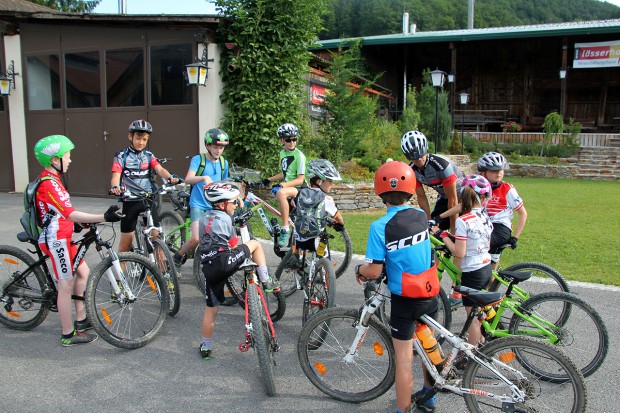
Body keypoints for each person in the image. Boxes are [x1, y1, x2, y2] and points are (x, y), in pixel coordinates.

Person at [354, 161, 440, 413]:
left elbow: (374, 271)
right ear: (411, 189)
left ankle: (403, 409)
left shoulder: (379, 227)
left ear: (380, 192)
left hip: (405, 298)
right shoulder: (421, 216)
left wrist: (359, 270)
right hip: (430, 290)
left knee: (403, 360)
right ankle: (429, 395)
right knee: (428, 347)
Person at [33, 135, 123, 346]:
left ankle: (81, 319)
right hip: (56, 240)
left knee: (83, 272)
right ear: (55, 160)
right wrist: (103, 217)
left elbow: (61, 212)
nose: (70, 160)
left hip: (64, 233)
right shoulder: (49, 184)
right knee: (65, 284)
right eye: (67, 156)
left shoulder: (54, 179)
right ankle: (67, 334)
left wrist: (79, 224)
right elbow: (71, 213)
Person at [197, 182, 281, 360]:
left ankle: (206, 346)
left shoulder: (204, 218)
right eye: (233, 202)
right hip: (225, 261)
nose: (236, 205)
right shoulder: (226, 219)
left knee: (211, 310)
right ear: (222, 205)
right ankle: (266, 280)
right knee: (255, 244)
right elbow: (234, 244)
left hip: (209, 268)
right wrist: (242, 248)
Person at [436, 174, 493, 351]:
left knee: (472, 318)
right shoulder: (485, 217)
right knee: (479, 311)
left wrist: (443, 236)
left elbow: (459, 253)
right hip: (486, 266)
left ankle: (476, 355)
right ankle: (483, 341)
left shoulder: (463, 220)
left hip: (472, 272)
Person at [110, 119, 179, 254]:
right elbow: (115, 176)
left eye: (145, 140)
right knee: (125, 246)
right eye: (138, 138)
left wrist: (170, 177)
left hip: (148, 200)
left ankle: (163, 273)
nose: (141, 142)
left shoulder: (149, 155)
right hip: (130, 201)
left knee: (156, 239)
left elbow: (160, 169)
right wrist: (115, 187)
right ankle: (120, 275)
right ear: (130, 136)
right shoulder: (121, 156)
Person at [173, 128, 230, 272]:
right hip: (198, 204)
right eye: (216, 147)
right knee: (197, 238)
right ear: (208, 146)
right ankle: (178, 257)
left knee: (218, 236)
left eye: (221, 148)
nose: (218, 151)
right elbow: (188, 179)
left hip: (214, 205)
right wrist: (203, 177)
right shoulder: (199, 159)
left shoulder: (224, 162)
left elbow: (224, 183)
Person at [401, 130, 464, 232]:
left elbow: (453, 200)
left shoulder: (441, 165)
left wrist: (453, 230)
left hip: (463, 197)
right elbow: (421, 197)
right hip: (445, 197)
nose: (419, 160)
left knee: (458, 231)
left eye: (421, 155)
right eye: (415, 158)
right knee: (432, 229)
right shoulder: (411, 170)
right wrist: (428, 220)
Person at [477, 151, 527, 269]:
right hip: (483, 225)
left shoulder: (507, 189)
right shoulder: (478, 187)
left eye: (500, 170)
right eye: (493, 171)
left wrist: (516, 237)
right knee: (490, 272)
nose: (498, 173)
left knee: (477, 245)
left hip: (500, 228)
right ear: (483, 172)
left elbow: (522, 213)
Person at [261, 123, 306, 247]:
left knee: (280, 192)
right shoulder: (282, 153)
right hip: (288, 187)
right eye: (288, 139)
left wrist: (282, 185)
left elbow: (300, 179)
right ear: (281, 140)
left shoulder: (299, 156)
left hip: (299, 188)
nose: (292, 142)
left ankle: (284, 229)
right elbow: (284, 173)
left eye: (294, 139)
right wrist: (268, 180)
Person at [292, 159, 345, 249]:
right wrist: (340, 225)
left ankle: (295, 259)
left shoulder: (300, 193)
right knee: (321, 257)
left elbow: (294, 206)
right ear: (318, 181)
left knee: (298, 255)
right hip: (315, 238)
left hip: (299, 236)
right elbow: (338, 217)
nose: (332, 184)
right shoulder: (326, 199)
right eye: (329, 181)